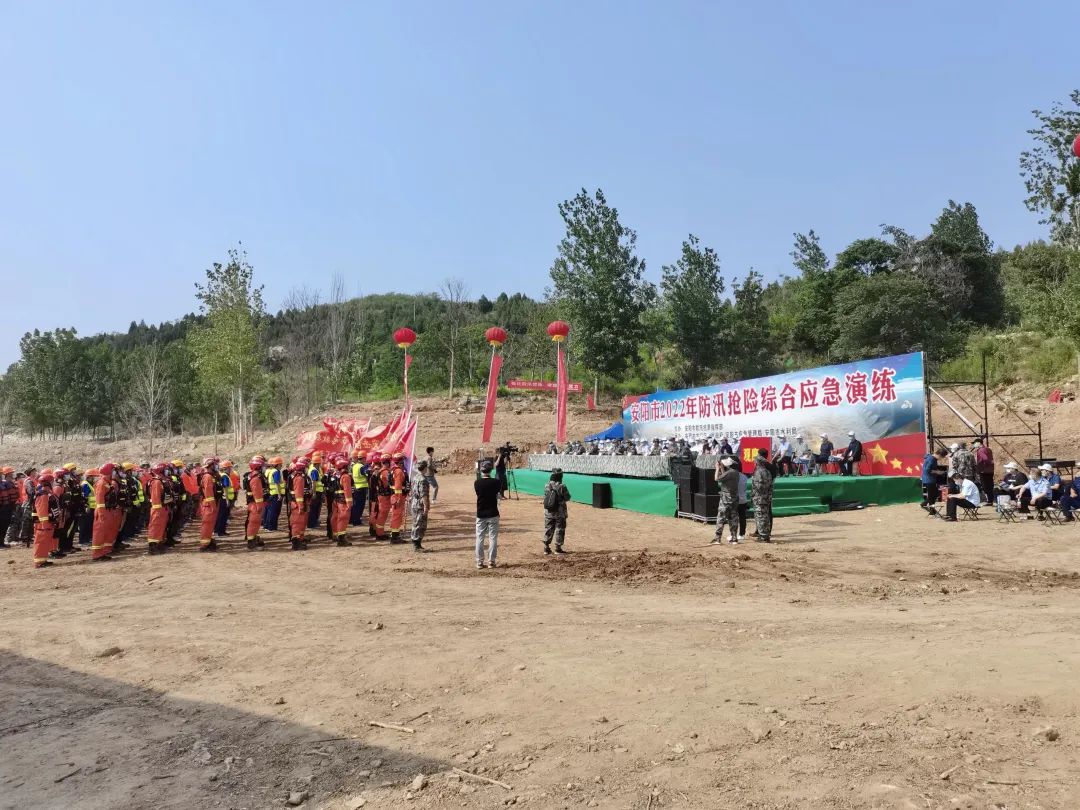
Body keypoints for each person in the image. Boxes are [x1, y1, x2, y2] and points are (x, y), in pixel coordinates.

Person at [475, 460, 501, 569]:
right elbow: (497, 494)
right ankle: (491, 561)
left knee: (479, 538)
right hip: (493, 512)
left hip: (481, 513)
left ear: (481, 470)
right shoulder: (496, 482)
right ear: (491, 470)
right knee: (493, 538)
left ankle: (479, 562)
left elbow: (478, 493)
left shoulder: (477, 483)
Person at [32, 470, 60, 568]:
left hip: (48, 522)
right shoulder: (43, 494)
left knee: (45, 542)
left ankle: (43, 560)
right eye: (52, 481)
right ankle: (39, 562)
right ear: (48, 483)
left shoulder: (48, 493)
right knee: (41, 542)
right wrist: (44, 524)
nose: (53, 483)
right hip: (43, 524)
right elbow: (42, 510)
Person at [92, 462, 119, 561]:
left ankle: (104, 551)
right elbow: (100, 500)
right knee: (99, 533)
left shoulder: (108, 482)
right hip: (102, 511)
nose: (115, 472)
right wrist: (102, 514)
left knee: (106, 532)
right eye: (113, 470)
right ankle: (97, 554)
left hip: (108, 510)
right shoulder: (101, 483)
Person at [711, 457, 741, 545]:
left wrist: (717, 468)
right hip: (734, 498)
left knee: (721, 518)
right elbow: (725, 478)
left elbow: (716, 478)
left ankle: (717, 538)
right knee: (733, 518)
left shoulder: (730, 472)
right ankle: (734, 538)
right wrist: (722, 468)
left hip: (726, 499)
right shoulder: (735, 472)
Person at [542, 467, 571, 554]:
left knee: (548, 528)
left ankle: (546, 548)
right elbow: (567, 497)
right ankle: (558, 548)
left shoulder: (547, 485)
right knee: (560, 529)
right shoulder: (562, 486)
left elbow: (546, 496)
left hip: (548, 511)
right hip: (560, 512)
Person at [197, 458, 222, 553]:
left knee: (210, 525)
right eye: (215, 464)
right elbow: (209, 493)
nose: (217, 466)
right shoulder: (208, 477)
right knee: (207, 524)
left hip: (212, 503)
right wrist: (213, 506)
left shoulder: (212, 476)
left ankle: (209, 541)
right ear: (210, 466)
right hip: (209, 505)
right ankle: (204, 545)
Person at [146, 462, 171, 554]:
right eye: (166, 470)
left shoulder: (162, 481)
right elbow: (156, 497)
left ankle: (159, 544)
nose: (168, 471)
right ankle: (153, 546)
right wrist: (159, 510)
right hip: (158, 509)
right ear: (161, 471)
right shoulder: (156, 482)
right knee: (155, 527)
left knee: (161, 527)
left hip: (163, 508)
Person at [287, 459, 311, 551]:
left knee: (301, 522)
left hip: (299, 503)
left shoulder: (296, 476)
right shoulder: (299, 478)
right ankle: (296, 543)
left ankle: (300, 538)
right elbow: (299, 493)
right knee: (298, 523)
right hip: (298, 504)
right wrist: (301, 506)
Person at [243, 457, 266, 551]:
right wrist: (260, 506)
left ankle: (253, 538)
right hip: (255, 504)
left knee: (255, 523)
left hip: (255, 503)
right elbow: (257, 493)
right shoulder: (256, 478)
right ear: (258, 467)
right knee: (254, 523)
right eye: (262, 466)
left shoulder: (255, 476)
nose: (264, 468)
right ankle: (251, 543)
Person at [752, 450, 775, 542]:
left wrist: (755, 492)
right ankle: (765, 534)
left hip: (759, 497)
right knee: (765, 516)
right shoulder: (767, 472)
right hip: (766, 496)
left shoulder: (759, 472)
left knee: (761, 516)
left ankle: (763, 536)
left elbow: (759, 486)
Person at [409, 460, 431, 552]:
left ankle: (416, 543)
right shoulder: (423, 480)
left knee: (416, 523)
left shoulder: (415, 477)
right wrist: (426, 507)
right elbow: (424, 495)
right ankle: (416, 544)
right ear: (425, 468)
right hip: (420, 504)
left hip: (414, 503)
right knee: (420, 524)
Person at [388, 453, 408, 542]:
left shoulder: (393, 470)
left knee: (396, 515)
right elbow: (398, 486)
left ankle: (394, 534)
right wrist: (399, 498)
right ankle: (394, 536)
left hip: (395, 496)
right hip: (398, 496)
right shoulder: (399, 471)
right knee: (397, 515)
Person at [263, 457, 284, 532]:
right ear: (277, 465)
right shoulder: (276, 472)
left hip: (270, 493)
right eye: (280, 464)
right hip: (275, 493)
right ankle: (271, 527)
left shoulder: (269, 471)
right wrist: (279, 494)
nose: (281, 466)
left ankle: (267, 525)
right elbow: (277, 483)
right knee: (274, 511)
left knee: (269, 510)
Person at [349, 450, 368, 526]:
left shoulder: (354, 466)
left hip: (356, 487)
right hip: (361, 488)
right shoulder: (361, 467)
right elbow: (367, 475)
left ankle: (353, 519)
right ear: (363, 458)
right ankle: (356, 521)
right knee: (360, 506)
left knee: (356, 505)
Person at [0, 467, 18, 547]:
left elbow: (14, 493)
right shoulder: (4, 483)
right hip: (2, 508)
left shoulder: (5, 483)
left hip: (7, 507)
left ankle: (1, 542)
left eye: (1, 474)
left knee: (4, 525)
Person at [973, 439, 995, 504]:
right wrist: (990, 463)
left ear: (979, 443)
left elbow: (985, 458)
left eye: (974, 443)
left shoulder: (980, 450)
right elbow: (989, 459)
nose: (974, 444)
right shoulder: (988, 449)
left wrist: (978, 464)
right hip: (990, 470)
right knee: (990, 485)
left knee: (985, 486)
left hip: (983, 470)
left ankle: (988, 500)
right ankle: (990, 500)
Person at [306, 452, 324, 529]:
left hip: (317, 491)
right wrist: (314, 493)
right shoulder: (314, 470)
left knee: (315, 508)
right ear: (317, 463)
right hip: (316, 492)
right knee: (314, 508)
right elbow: (314, 482)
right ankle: (312, 524)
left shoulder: (314, 469)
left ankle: (314, 522)